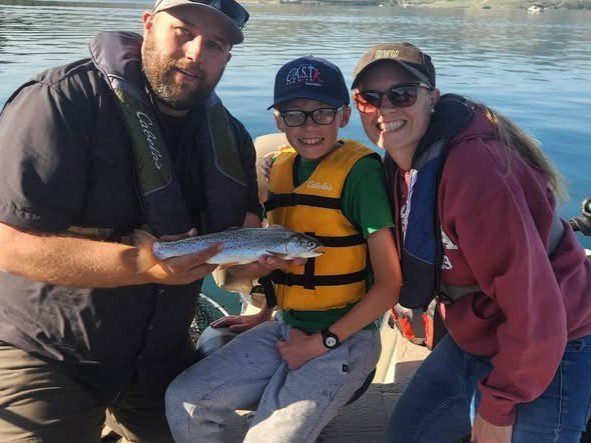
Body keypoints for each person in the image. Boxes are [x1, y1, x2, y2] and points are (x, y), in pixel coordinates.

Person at [0, 0, 263, 441]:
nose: (196, 52)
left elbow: (237, 249)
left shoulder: (230, 137)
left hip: (161, 362)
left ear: (227, 58)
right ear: (148, 25)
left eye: (214, 44)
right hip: (50, 355)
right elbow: (9, 243)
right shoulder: (62, 101)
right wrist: (141, 264)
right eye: (183, 31)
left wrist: (257, 264)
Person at [350, 42, 591, 442]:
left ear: (432, 99)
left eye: (402, 94)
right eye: (369, 98)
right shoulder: (400, 164)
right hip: (478, 334)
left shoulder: (476, 171)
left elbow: (535, 306)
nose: (384, 109)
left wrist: (498, 406)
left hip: (555, 339)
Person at [164, 55, 401, 442]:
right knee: (184, 399)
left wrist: (320, 344)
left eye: (322, 113)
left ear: (343, 115)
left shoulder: (362, 174)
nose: (308, 127)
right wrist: (264, 313)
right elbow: (276, 260)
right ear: (278, 120)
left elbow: (389, 286)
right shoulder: (279, 169)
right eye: (294, 115)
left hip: (347, 338)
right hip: (285, 327)